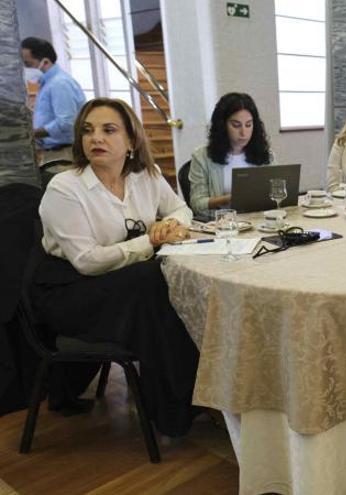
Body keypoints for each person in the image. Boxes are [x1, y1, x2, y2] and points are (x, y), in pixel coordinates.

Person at [30, 98, 200, 437]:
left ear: (132, 141)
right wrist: (150, 241)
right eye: (88, 131)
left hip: (122, 284)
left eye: (109, 130)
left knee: (162, 282)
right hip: (68, 292)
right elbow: (87, 261)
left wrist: (168, 225)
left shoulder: (145, 176)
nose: (96, 139)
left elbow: (182, 209)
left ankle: (179, 400)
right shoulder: (65, 188)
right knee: (152, 280)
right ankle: (177, 405)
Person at [188, 93, 273, 215]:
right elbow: (197, 204)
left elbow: (277, 194)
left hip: (259, 224)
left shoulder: (266, 155)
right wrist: (229, 199)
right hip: (222, 227)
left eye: (248, 125)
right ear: (222, 125)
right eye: (236, 125)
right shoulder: (201, 157)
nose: (244, 132)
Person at [20, 37, 86, 167]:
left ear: (45, 62)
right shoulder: (47, 84)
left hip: (64, 153)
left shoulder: (59, 84)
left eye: (28, 64)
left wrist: (33, 133)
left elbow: (66, 123)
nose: (25, 69)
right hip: (53, 153)